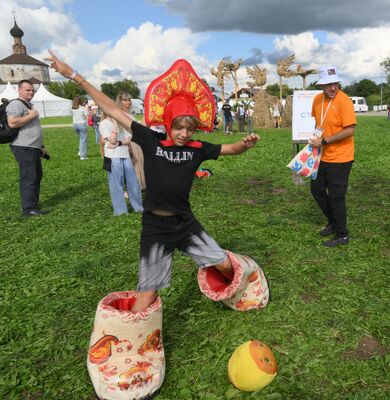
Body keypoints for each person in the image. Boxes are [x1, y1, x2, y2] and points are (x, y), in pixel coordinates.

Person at [47, 50, 260, 312]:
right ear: (168, 122)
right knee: (147, 294)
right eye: (178, 127)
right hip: (155, 228)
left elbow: (232, 149)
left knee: (225, 265)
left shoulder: (197, 148)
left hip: (185, 223)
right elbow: (111, 108)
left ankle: (244, 289)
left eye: (189, 128)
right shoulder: (150, 140)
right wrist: (74, 76)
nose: (183, 133)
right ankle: (134, 342)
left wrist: (244, 144)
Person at [307, 65, 356, 247]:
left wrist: (325, 141)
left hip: (341, 157)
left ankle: (342, 235)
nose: (333, 88)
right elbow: (319, 123)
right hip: (322, 155)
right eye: (328, 85)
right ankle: (333, 221)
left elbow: (350, 130)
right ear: (321, 85)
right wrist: (315, 138)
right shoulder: (317, 100)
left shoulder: (344, 101)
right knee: (316, 189)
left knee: (336, 197)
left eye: (335, 83)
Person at [7, 80, 49, 216]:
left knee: (36, 175)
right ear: (19, 90)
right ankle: (28, 208)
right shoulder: (16, 104)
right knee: (29, 177)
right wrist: (32, 114)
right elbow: (12, 122)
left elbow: (33, 127)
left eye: (32, 90)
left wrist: (41, 145)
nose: (31, 92)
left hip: (33, 146)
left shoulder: (28, 105)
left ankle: (33, 204)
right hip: (23, 146)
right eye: (27, 90)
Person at [99, 110, 144, 216]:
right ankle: (121, 211)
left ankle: (138, 207)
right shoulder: (103, 124)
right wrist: (115, 124)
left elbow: (129, 139)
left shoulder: (122, 123)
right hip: (112, 156)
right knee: (116, 184)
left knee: (133, 183)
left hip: (125, 154)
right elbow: (112, 140)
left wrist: (119, 143)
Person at [71, 96, 88, 160]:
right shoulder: (83, 108)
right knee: (83, 140)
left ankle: (80, 152)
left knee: (81, 139)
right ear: (80, 101)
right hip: (82, 124)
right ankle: (83, 156)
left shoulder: (72, 108)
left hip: (75, 125)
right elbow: (87, 117)